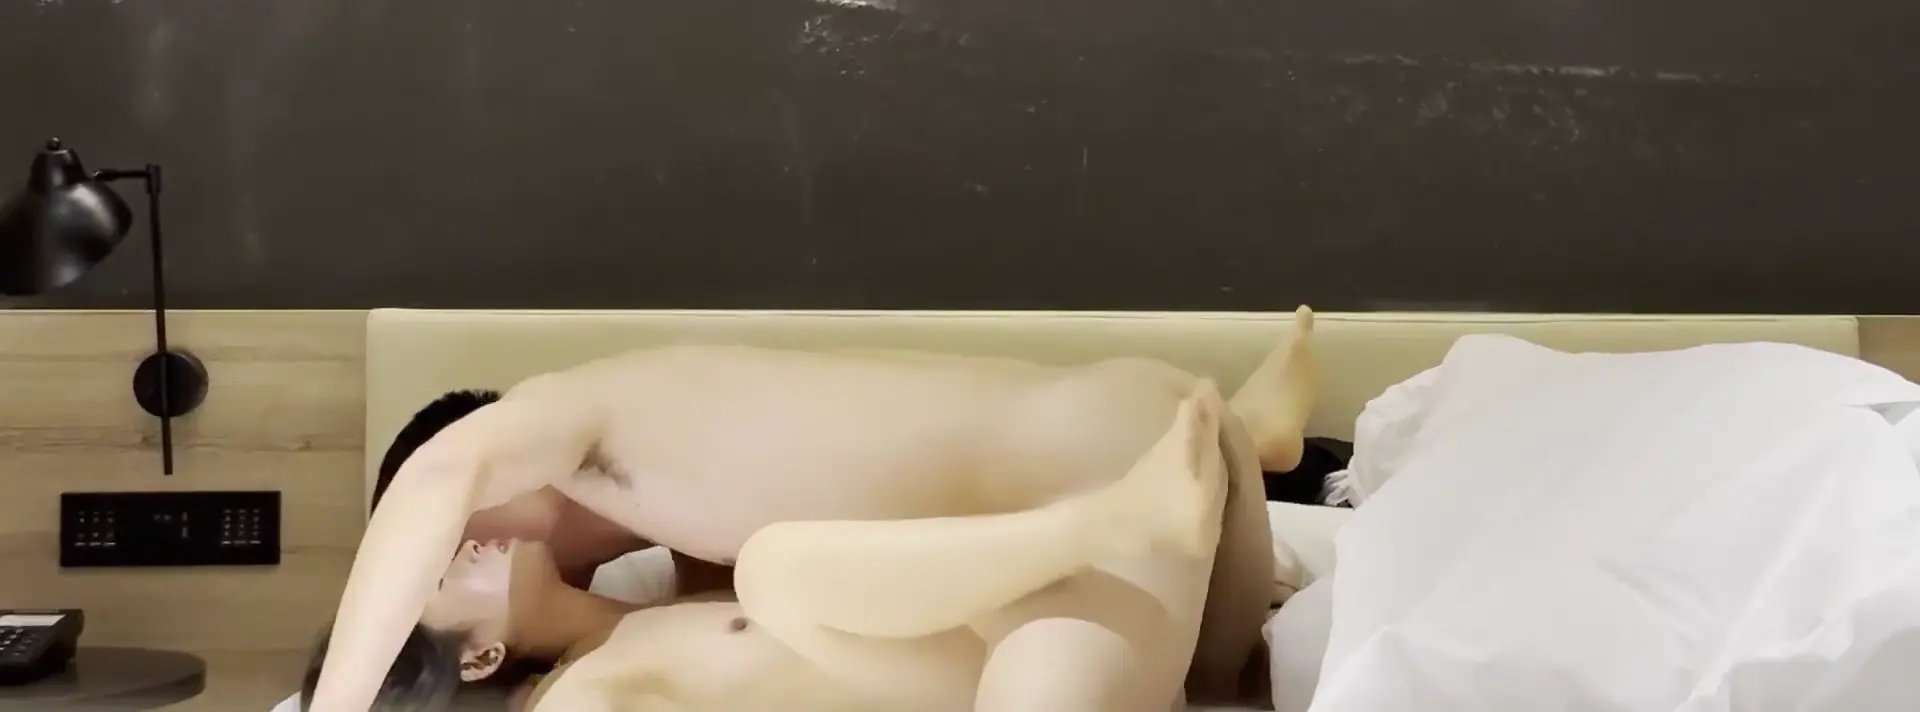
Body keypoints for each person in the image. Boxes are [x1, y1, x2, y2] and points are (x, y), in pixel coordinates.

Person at [305, 308, 1321, 712]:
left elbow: (435, 478)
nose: (461, 538)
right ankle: (1251, 436)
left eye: (443, 537)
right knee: (1227, 681)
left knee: (782, 571)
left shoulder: (569, 422)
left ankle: (1161, 492)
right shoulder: (675, 554)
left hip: (1088, 482)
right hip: (1139, 436)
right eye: (439, 567)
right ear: (478, 659)